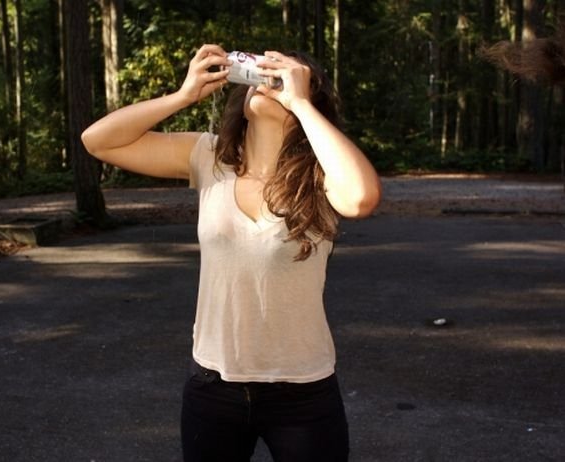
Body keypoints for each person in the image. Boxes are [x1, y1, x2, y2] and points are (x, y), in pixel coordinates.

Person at [81, 44, 381, 462]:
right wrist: (183, 95)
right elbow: (97, 141)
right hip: (213, 385)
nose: (268, 78)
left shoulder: (322, 174)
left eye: (284, 74)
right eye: (263, 71)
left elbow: (363, 197)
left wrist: (300, 102)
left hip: (302, 391)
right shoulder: (209, 157)